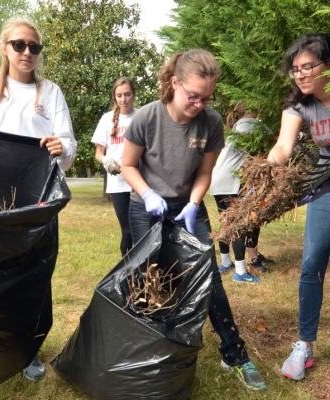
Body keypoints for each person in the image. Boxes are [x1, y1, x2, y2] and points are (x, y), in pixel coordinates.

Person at [121, 49, 266, 391]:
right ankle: (147, 354)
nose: (199, 104)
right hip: (146, 204)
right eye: (193, 95)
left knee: (209, 277)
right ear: (174, 83)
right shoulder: (146, 117)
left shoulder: (212, 122)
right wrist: (148, 194)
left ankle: (235, 354)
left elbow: (205, 172)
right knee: (147, 278)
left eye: (206, 98)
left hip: (189, 205)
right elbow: (128, 166)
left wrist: (193, 203)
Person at [0, 16, 77, 381]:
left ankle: (28, 351)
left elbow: (69, 143)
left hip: (34, 205)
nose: (27, 52)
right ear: (5, 48)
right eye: (19, 45)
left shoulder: (51, 92)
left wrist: (62, 147)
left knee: (32, 278)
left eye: (34, 47)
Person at [267, 32, 330, 381]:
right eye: (296, 69)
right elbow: (283, 147)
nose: (302, 75)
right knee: (311, 264)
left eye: (309, 67)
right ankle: (304, 345)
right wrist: (269, 166)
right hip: (327, 189)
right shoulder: (300, 105)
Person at [210, 101, 275, 283]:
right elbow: (275, 140)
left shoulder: (236, 126)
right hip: (232, 180)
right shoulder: (252, 123)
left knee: (226, 223)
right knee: (239, 225)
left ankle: (225, 263)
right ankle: (240, 272)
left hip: (217, 181)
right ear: (253, 109)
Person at [91, 77, 137, 256]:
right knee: (127, 231)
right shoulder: (106, 119)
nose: (123, 99)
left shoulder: (141, 116)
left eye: (127, 94)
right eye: (119, 95)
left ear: (134, 95)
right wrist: (107, 161)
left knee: (142, 231)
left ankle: (144, 272)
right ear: (114, 97)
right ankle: (127, 272)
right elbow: (98, 153)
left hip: (138, 182)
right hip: (118, 184)